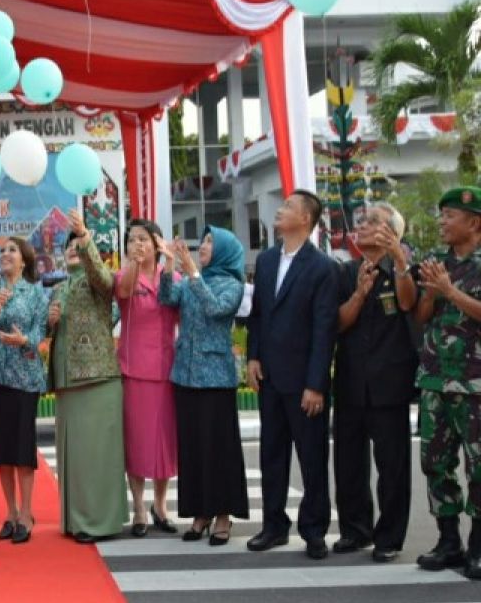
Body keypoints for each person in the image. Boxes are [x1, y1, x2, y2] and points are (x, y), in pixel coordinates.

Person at [246, 189, 339, 559]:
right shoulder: (267, 261)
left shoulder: (322, 268)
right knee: (272, 454)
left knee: (312, 457)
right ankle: (273, 526)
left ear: (305, 219)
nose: (280, 211)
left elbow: (324, 329)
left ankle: (314, 530)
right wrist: (253, 357)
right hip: (270, 377)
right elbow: (257, 315)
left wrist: (316, 384)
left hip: (304, 382)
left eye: (288, 207)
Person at [332, 203, 419, 563]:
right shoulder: (347, 272)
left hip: (389, 384)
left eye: (372, 223)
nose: (362, 227)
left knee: (392, 467)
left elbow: (408, 303)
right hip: (352, 382)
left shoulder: (403, 269)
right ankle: (355, 530)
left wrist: (398, 259)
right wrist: (359, 292)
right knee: (348, 463)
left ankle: (390, 537)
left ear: (392, 233)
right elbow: (338, 324)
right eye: (362, 222)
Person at [159, 227, 249, 545]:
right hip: (185, 374)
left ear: (224, 249)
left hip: (216, 377)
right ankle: (200, 512)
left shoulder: (232, 284)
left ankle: (223, 514)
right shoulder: (190, 280)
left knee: (219, 448)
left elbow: (216, 309)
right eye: (204, 240)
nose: (204, 245)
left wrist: (193, 273)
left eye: (210, 241)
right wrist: (169, 264)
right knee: (194, 447)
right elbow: (167, 298)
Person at [47, 209, 127, 544]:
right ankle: (76, 520)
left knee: (97, 455)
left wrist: (85, 238)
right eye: (68, 245)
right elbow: (52, 331)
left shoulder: (97, 283)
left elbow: (105, 279)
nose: (71, 248)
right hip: (68, 381)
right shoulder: (59, 288)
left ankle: (99, 523)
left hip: (96, 377)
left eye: (75, 244)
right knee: (76, 457)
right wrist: (50, 324)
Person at [413, 187, 481, 579]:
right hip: (436, 378)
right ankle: (448, 541)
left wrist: (450, 291)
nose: (442, 221)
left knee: (479, 467)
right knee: (435, 462)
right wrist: (430, 293)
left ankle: (478, 545)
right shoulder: (435, 261)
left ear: (473, 222)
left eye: (449, 215)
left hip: (475, 383)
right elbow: (422, 316)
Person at [0, 236, 48, 544]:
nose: (5, 254)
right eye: (2, 251)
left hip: (24, 378)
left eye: (12, 250)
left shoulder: (35, 293)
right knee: (2, 449)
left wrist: (25, 342)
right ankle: (9, 511)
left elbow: (40, 330)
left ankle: (27, 513)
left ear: (24, 260)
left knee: (22, 448)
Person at [115, 219, 180, 536]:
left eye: (143, 239)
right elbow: (123, 291)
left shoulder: (171, 277)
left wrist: (169, 263)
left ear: (157, 243)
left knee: (164, 442)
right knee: (138, 440)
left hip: (167, 368)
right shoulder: (126, 275)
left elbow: (180, 309)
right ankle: (138, 506)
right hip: (135, 369)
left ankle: (161, 503)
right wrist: (132, 262)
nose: (137, 244)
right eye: (132, 239)